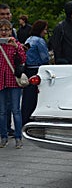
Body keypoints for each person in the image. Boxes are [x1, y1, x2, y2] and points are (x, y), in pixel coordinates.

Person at [0, 19, 26, 148]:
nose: (4, 32)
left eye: (7, 29)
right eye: (2, 30)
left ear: (11, 31)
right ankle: (3, 136)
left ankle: (18, 137)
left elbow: (23, 59)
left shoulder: (15, 43)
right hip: (1, 81)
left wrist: (16, 47)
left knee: (16, 110)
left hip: (13, 81)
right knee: (2, 111)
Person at [21, 20, 49, 126]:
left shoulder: (29, 39)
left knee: (27, 96)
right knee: (34, 96)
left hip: (28, 68)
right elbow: (44, 57)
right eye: (45, 29)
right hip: (37, 69)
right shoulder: (39, 41)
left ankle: (25, 117)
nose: (46, 32)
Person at [0, 3, 16, 137]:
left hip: (9, 74)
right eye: (2, 14)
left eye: (7, 14)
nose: (6, 16)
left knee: (9, 104)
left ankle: (6, 128)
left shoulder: (13, 31)